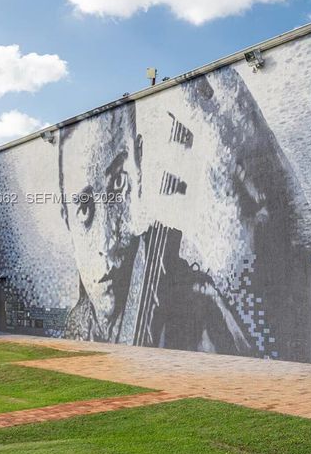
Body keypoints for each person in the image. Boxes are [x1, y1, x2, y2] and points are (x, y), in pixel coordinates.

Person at [59, 101, 250, 353]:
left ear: (140, 165)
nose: (106, 242)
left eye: (118, 182)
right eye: (83, 208)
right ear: (66, 218)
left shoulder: (200, 307)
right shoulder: (78, 322)